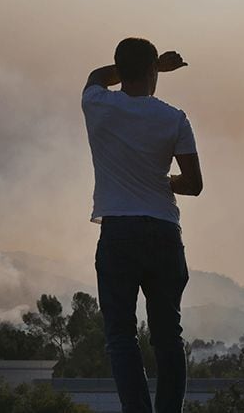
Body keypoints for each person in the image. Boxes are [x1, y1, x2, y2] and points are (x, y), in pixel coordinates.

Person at [81, 37, 203, 413]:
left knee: (121, 337)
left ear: (121, 70)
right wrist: (164, 181)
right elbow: (194, 184)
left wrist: (146, 66)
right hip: (164, 232)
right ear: (153, 71)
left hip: (118, 233)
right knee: (168, 337)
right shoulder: (174, 118)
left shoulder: (97, 104)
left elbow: (96, 75)